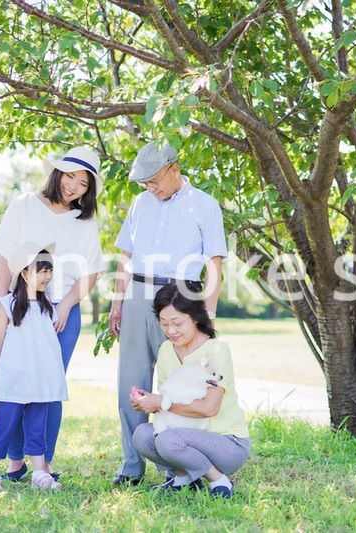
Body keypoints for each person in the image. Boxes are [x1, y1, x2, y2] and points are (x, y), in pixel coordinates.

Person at [109, 141, 227, 487]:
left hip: (182, 296)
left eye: (154, 181)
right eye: (145, 183)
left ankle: (173, 468)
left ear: (174, 169)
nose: (151, 188)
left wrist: (209, 312)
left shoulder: (204, 205)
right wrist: (117, 302)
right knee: (130, 384)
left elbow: (214, 262)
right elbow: (126, 256)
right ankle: (132, 464)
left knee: (179, 384)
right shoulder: (139, 203)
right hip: (137, 293)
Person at [0, 146, 104, 482]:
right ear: (58, 173)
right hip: (18, 309)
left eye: (84, 184)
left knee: (48, 389)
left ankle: (44, 464)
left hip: (59, 315)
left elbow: (91, 273)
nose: (74, 188)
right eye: (71, 177)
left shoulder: (85, 221)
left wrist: (65, 304)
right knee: (13, 383)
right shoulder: (24, 205)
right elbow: (5, 259)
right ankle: (13, 462)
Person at [130, 282, 250, 499]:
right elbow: (169, 406)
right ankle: (184, 478)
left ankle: (219, 480)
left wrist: (162, 402)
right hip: (185, 434)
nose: (171, 331)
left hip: (226, 443)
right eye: (164, 324)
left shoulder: (215, 350)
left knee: (167, 440)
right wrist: (148, 402)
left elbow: (209, 408)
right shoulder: (166, 350)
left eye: (177, 323)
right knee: (142, 436)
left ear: (195, 317)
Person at [0, 242, 67, 491]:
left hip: (39, 382)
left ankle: (39, 472)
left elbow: (47, 349)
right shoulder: (6, 305)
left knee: (37, 427)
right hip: (12, 379)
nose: (47, 277)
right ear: (25, 273)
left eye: (50, 271)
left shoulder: (49, 308)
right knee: (5, 425)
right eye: (42, 271)